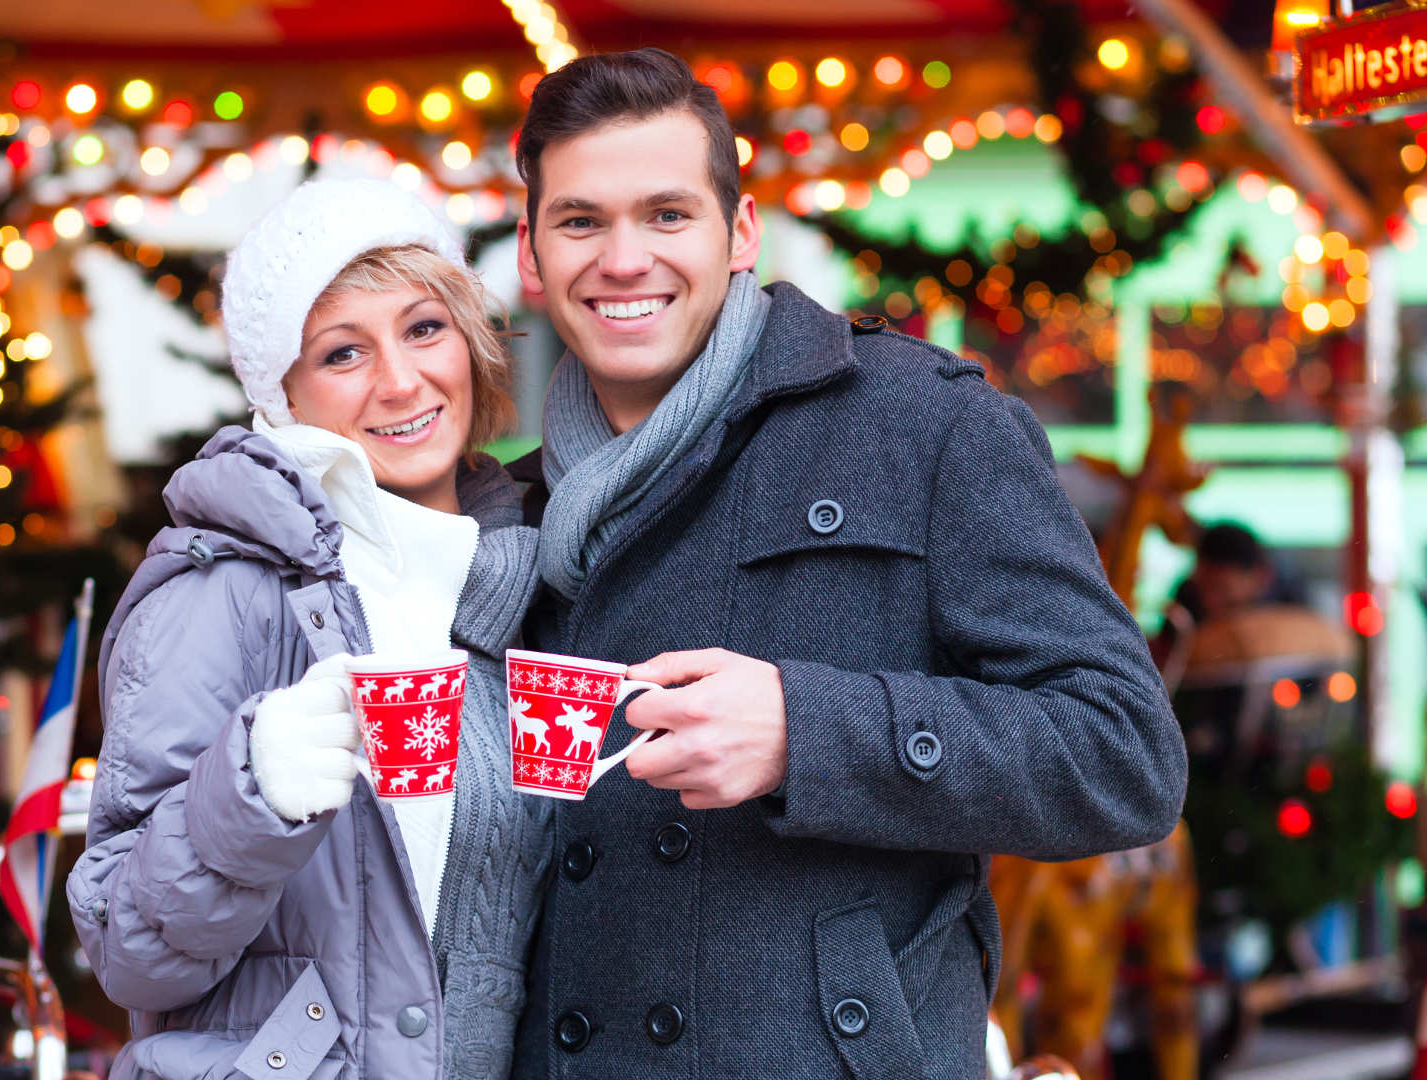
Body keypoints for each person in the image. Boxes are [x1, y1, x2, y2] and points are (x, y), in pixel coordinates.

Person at [503, 49, 1189, 1078]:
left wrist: (807, 733)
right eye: (581, 221)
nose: (623, 258)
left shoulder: (922, 425)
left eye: (667, 215)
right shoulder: (506, 510)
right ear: (531, 252)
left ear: (740, 235)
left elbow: (1123, 754)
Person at [68, 178, 551, 1080]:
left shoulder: (530, 571)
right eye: (341, 353)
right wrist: (248, 796)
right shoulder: (222, 590)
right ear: (282, 392)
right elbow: (125, 950)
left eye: (423, 327)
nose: (401, 380)